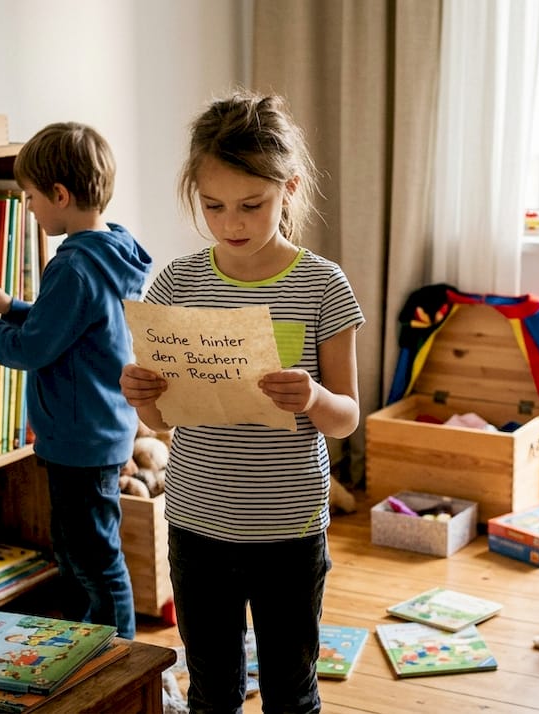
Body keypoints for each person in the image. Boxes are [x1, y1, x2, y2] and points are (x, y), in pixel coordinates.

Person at [119, 91, 362, 713]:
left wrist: (312, 395)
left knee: (289, 687)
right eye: (213, 206)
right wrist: (144, 397)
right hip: (198, 524)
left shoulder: (322, 284)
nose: (232, 223)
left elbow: (348, 417)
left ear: (289, 188)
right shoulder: (177, 281)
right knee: (213, 689)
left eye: (251, 205)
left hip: (290, 528)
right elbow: (163, 419)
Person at [0, 121, 150, 639]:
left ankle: (122, 658)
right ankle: (90, 643)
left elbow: (34, 348)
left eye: (32, 197)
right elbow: (72, 325)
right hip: (98, 430)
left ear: (59, 195)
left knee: (93, 560)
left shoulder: (73, 267)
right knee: (82, 551)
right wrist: (14, 307)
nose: (30, 208)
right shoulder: (110, 250)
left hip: (79, 441)